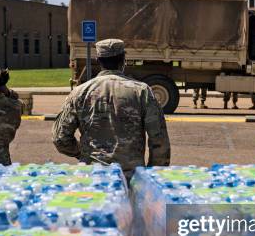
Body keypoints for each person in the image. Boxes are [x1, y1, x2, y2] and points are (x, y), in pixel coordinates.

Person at [52, 38, 171, 179]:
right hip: (131, 177)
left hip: (93, 177)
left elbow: (60, 138)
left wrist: (82, 153)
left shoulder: (79, 93)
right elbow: (159, 141)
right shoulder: (141, 92)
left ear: (98, 60)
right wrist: (150, 178)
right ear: (123, 60)